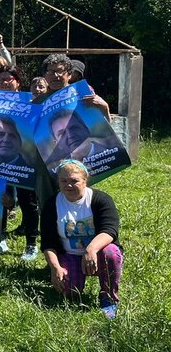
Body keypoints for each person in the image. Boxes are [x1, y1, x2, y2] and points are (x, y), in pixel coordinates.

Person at [41, 160, 123, 319]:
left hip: (97, 253)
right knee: (69, 292)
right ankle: (71, 275)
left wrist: (90, 249)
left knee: (111, 253)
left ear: (85, 181)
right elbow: (48, 243)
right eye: (63, 181)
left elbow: (110, 230)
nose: (68, 185)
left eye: (74, 181)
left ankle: (108, 297)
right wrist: (54, 267)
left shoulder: (101, 200)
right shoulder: (52, 204)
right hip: (69, 254)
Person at [48, 109, 121, 168]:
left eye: (74, 128)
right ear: (57, 143)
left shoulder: (116, 157)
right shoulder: (60, 171)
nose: (70, 135)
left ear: (86, 129)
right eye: (62, 133)